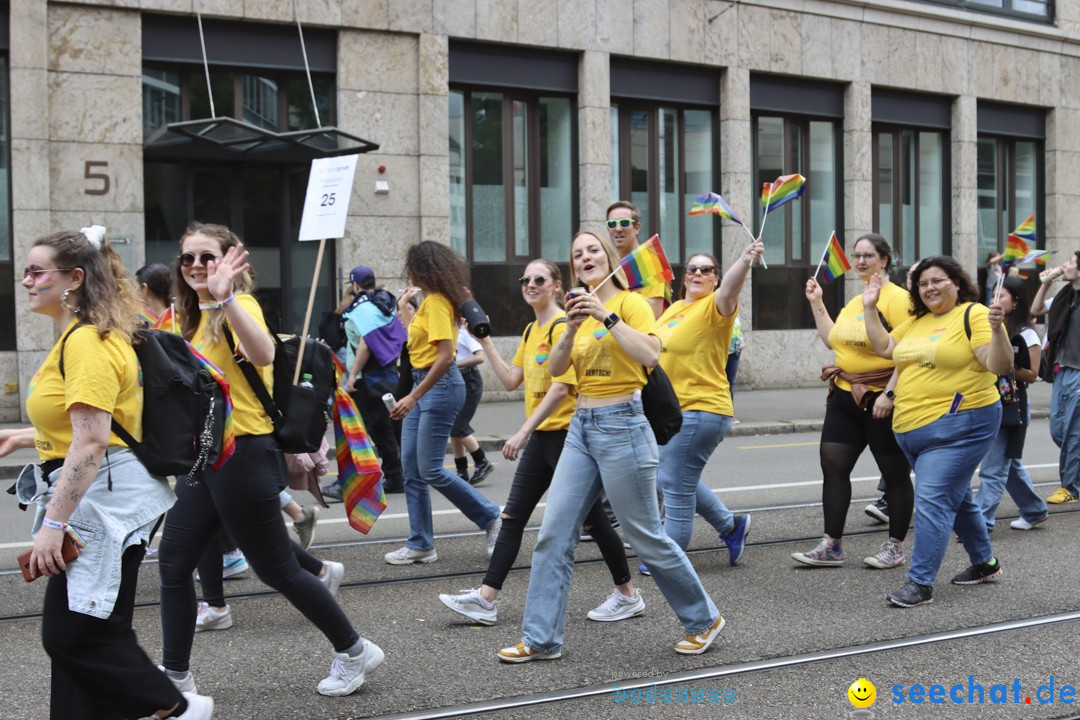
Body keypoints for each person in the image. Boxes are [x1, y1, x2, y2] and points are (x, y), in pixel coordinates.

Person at [156, 222, 381, 697]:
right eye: (188, 258)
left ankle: (353, 649)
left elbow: (261, 353)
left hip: (245, 452)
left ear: (228, 262)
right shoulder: (180, 317)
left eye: (207, 257)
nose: (196, 266)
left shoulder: (237, 306)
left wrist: (225, 299)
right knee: (174, 564)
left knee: (276, 568)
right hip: (205, 457)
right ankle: (175, 679)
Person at [5, 227, 212, 719]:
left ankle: (177, 708)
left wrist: (54, 526)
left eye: (37, 272)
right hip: (108, 490)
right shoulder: (82, 336)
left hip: (105, 495)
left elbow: (94, 438)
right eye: (26, 272)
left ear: (74, 278)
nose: (27, 282)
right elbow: (83, 424)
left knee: (71, 635)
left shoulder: (87, 342)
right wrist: (25, 439)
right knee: (93, 631)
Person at [497, 231, 724, 663]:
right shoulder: (574, 312)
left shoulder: (631, 303)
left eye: (593, 250)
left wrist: (604, 315)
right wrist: (571, 330)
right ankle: (541, 637)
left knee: (645, 536)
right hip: (582, 426)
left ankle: (704, 619)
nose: (586, 257)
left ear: (608, 257)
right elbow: (559, 368)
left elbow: (651, 355)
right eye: (577, 253)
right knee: (553, 533)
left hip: (624, 424)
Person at [439, 258, 641, 625]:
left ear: (556, 286)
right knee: (513, 516)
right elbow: (513, 379)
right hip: (543, 439)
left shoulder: (566, 324)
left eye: (539, 279)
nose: (529, 284)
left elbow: (562, 386)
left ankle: (627, 594)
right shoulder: (533, 329)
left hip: (566, 436)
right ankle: (486, 599)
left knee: (593, 522)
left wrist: (523, 430)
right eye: (525, 279)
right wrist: (483, 340)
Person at [862, 256, 1013, 607]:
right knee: (956, 497)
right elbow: (884, 348)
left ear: (956, 283)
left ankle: (920, 583)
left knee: (932, 500)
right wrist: (870, 308)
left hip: (960, 425)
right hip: (913, 431)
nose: (929, 288)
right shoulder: (918, 322)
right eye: (923, 283)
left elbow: (998, 364)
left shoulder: (972, 314)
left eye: (937, 280)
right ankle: (985, 563)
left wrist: (996, 329)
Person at [793, 234, 913, 570]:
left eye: (868, 256)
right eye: (856, 256)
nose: (860, 262)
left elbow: (907, 352)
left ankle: (895, 546)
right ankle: (831, 545)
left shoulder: (899, 299)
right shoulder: (855, 299)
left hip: (880, 397)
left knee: (894, 474)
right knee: (833, 467)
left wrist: (890, 394)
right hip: (845, 394)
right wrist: (817, 302)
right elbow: (835, 341)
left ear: (884, 259)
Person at [385, 241, 502, 564]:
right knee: (412, 468)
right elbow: (419, 346)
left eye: (411, 266)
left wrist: (413, 395)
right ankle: (421, 542)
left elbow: (446, 356)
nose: (408, 272)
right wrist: (405, 311)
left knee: (430, 469)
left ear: (421, 269)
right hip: (427, 384)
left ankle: (492, 517)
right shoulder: (427, 303)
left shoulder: (436, 302)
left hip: (439, 385)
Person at [651, 244, 762, 570]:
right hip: (674, 412)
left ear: (715, 278)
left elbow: (731, 289)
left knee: (675, 486)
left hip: (702, 409)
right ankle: (731, 526)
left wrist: (743, 260)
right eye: (692, 269)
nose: (698, 274)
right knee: (670, 478)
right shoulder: (673, 310)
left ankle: (668, 559)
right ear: (684, 278)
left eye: (706, 270)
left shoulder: (715, 306)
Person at [974, 277, 1049, 531]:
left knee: (993, 466)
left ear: (1016, 302)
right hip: (986, 399)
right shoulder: (986, 327)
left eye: (1002, 295)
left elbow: (1033, 373)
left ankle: (980, 523)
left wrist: (1005, 364)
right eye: (992, 293)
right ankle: (1034, 509)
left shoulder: (1027, 334)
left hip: (1012, 404)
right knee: (1009, 463)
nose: (995, 299)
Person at [337, 265, 407, 497]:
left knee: (356, 430)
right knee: (382, 429)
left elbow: (366, 344)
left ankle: (348, 482)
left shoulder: (361, 310)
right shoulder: (383, 304)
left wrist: (352, 376)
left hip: (368, 379)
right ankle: (395, 477)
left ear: (354, 285)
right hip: (386, 376)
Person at [1031, 250, 1080, 504]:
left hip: (1079, 373)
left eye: (1071, 263)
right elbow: (1036, 309)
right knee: (1058, 429)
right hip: (1061, 369)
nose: (1065, 265)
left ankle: (1070, 487)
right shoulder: (1065, 296)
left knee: (1073, 432)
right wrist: (1047, 283)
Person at [606, 200, 669, 319]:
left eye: (624, 223)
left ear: (637, 228)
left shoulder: (649, 260)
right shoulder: (609, 263)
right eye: (612, 224)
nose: (618, 229)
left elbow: (654, 313)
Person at [449, 323, 494, 484]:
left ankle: (482, 461)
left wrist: (453, 364)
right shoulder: (448, 331)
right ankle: (461, 470)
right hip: (456, 380)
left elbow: (480, 357)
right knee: (454, 428)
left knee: (458, 426)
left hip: (470, 380)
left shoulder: (464, 332)